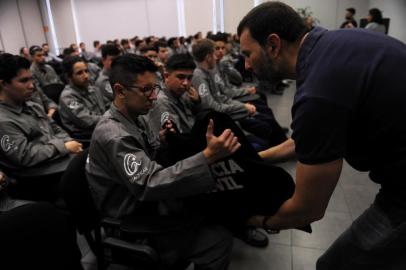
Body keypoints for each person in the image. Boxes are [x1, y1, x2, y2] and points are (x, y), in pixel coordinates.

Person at [237, 2, 406, 269]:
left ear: (272, 44)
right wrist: (253, 158)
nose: (246, 65)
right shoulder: (333, 45)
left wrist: (254, 220)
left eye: (248, 53)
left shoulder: (318, 91)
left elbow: (308, 209)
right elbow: (306, 140)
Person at [86, 54, 239, 269]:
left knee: (214, 208)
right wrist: (207, 157)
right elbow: (149, 183)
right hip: (131, 219)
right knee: (218, 240)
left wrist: (162, 143)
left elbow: (148, 159)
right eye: (146, 90)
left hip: (147, 204)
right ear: (120, 91)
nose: (154, 97)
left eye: (154, 88)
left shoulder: (136, 117)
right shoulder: (114, 134)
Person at [147, 53, 269, 247]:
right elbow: (177, 144)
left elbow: (198, 121)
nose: (186, 83)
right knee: (230, 171)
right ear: (165, 75)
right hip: (181, 161)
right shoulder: (162, 102)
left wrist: (197, 103)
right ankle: (238, 224)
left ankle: (247, 213)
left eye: (188, 77)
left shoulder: (183, 95)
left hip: (196, 147)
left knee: (242, 154)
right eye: (180, 77)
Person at [0, 53, 82, 201]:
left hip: (57, 161)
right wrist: (64, 147)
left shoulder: (33, 106)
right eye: (24, 80)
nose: (32, 85)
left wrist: (69, 142)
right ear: (4, 84)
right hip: (37, 177)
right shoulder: (3, 120)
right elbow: (25, 156)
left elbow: (56, 129)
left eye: (31, 79)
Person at [59, 56, 106, 141]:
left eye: (86, 71)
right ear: (68, 77)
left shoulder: (93, 88)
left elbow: (108, 105)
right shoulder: (68, 97)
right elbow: (87, 121)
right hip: (87, 137)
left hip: (103, 128)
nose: (86, 76)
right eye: (79, 73)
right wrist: (111, 119)